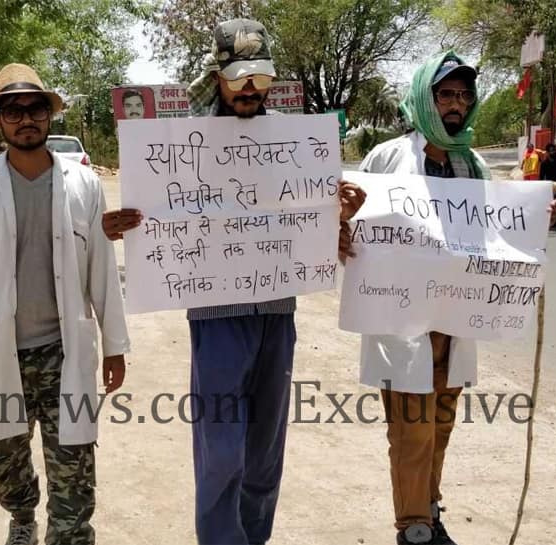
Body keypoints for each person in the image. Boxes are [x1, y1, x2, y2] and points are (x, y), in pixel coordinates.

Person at [102, 19, 365, 545]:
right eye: (240, 78)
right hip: (216, 319)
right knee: (221, 450)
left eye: (261, 80)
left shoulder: (296, 143)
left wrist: (339, 220)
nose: (250, 90)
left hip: (277, 314)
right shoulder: (182, 141)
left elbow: (312, 228)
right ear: (218, 76)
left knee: (265, 451)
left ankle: (253, 536)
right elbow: (153, 215)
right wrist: (118, 226)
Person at [0, 63, 130, 545]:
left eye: (35, 108)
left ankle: (68, 533)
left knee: (74, 475)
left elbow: (101, 268)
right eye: (12, 110)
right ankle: (21, 515)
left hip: (65, 353)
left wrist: (115, 345)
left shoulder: (84, 185)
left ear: (49, 115)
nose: (25, 119)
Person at [359, 51, 556, 545]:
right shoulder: (386, 159)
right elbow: (353, 232)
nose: (457, 103)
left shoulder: (473, 165)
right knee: (412, 427)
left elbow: (495, 236)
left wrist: (534, 220)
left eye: (465, 95)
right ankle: (414, 526)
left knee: (441, 425)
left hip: (455, 315)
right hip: (403, 320)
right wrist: (342, 228)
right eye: (446, 94)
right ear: (426, 98)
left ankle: (428, 506)